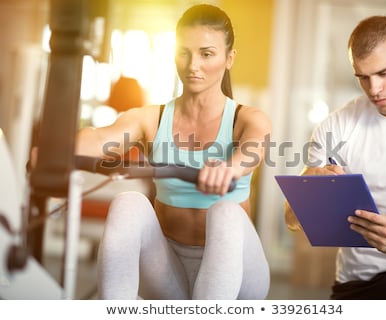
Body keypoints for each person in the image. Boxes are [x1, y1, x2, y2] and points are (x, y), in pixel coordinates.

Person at [76, 4, 271, 299]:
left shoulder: (247, 118)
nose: (193, 65)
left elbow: (253, 149)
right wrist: (58, 149)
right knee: (128, 202)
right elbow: (99, 138)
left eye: (206, 54)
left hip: (240, 273)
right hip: (168, 268)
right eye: (184, 52)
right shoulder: (150, 118)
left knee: (226, 213)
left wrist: (228, 168)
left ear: (229, 58)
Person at [285, 15, 386, 299]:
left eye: (384, 73)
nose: (374, 89)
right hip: (357, 280)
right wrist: (308, 190)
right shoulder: (335, 126)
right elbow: (291, 220)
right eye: (363, 77)